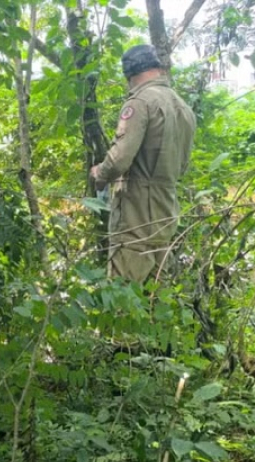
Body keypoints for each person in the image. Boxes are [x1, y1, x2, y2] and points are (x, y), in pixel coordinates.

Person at [90, 44, 196, 283]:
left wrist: (100, 173)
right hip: (166, 212)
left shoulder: (140, 101)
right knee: (155, 297)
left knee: (123, 293)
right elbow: (183, 166)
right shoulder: (184, 108)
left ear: (130, 75)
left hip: (135, 214)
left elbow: (119, 159)